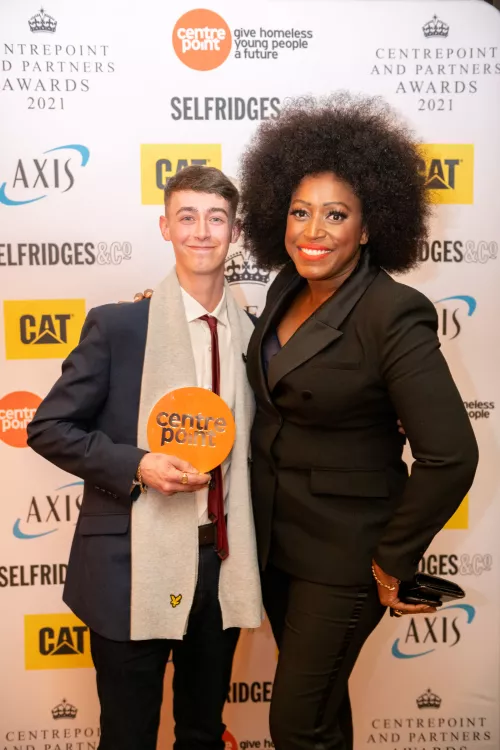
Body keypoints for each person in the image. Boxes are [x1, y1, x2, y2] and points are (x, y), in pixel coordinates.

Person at [237, 95, 479, 750]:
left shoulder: (392, 313)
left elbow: (451, 454)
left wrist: (392, 560)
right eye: (299, 211)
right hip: (278, 542)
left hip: (347, 557)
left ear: (369, 228)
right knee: (319, 718)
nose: (312, 229)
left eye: (336, 214)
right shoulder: (285, 286)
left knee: (294, 723)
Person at [27, 165, 263, 750]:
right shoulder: (119, 327)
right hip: (130, 567)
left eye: (216, 218)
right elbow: (49, 426)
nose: (202, 231)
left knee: (205, 733)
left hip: (219, 566)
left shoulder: (257, 338)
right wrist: (138, 465)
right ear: (165, 226)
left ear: (235, 231)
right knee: (128, 735)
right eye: (187, 217)